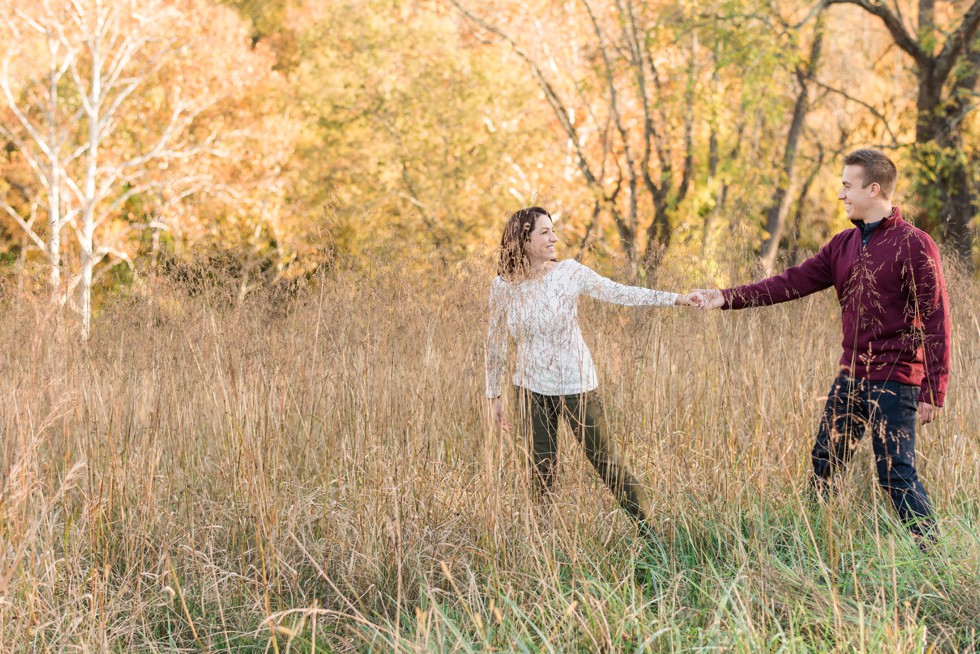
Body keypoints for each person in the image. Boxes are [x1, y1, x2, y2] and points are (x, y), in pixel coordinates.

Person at [693, 148, 950, 542]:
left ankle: (932, 552)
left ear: (874, 189)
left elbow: (936, 317)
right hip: (851, 377)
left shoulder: (914, 244)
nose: (841, 195)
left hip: (896, 381)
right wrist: (725, 297)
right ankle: (812, 544)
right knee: (825, 461)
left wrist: (934, 388)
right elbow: (788, 282)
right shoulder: (842, 245)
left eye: (848, 186)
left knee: (896, 474)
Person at [485, 206, 694, 530]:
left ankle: (652, 531)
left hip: (576, 386)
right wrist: (494, 394)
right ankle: (541, 544)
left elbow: (621, 293)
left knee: (606, 463)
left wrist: (676, 299)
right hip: (530, 388)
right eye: (545, 232)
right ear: (523, 240)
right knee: (541, 471)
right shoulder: (503, 286)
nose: (555, 237)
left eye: (553, 230)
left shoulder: (569, 273)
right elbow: (495, 339)